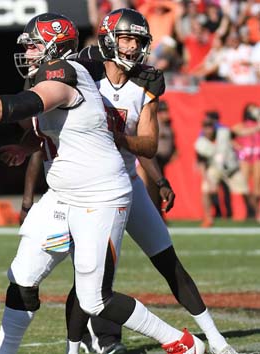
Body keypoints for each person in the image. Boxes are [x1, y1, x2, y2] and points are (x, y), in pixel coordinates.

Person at [0, 12, 203, 354]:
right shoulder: (46, 75)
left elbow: (24, 104)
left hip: (100, 195)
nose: (28, 52)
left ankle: (179, 341)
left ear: (57, 47)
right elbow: (35, 126)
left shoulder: (65, 73)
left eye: (36, 45)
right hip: (62, 194)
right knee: (21, 277)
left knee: (95, 299)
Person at [69, 9, 236, 354]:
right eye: (126, 38)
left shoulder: (145, 81)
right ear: (108, 39)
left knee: (168, 262)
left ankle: (216, 340)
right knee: (94, 276)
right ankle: (89, 342)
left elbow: (146, 144)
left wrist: (158, 180)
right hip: (90, 190)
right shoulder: (85, 74)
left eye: (137, 40)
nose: (132, 47)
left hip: (127, 182)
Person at [196, 114, 256, 227]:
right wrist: (209, 182)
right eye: (206, 126)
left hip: (231, 168)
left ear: (214, 127)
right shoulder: (200, 144)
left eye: (210, 126)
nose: (208, 129)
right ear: (203, 128)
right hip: (215, 168)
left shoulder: (224, 133)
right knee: (205, 190)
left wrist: (256, 128)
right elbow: (202, 165)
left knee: (246, 191)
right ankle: (208, 218)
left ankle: (255, 213)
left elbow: (240, 133)